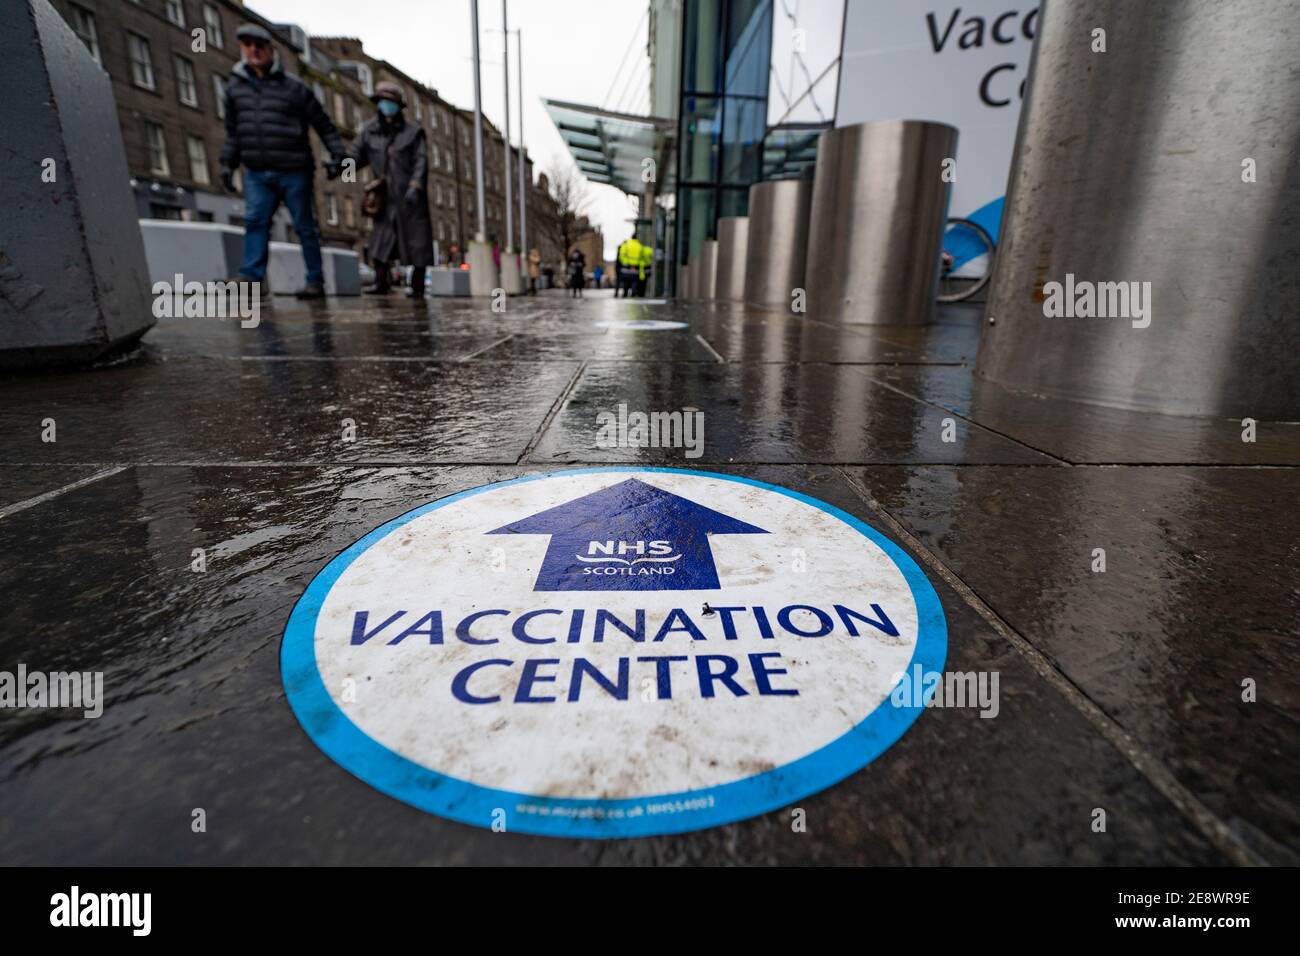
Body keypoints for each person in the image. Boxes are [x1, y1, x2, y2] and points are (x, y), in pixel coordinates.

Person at [220, 23, 345, 299]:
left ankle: (315, 280)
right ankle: (250, 278)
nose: (254, 50)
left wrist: (339, 156)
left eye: (259, 45)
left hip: (294, 168)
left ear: (271, 50)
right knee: (255, 221)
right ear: (241, 48)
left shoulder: (294, 88)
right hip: (256, 169)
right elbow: (233, 133)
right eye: (247, 44)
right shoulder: (234, 91)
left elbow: (324, 125)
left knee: (304, 225)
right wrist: (227, 163)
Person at [347, 81, 432, 299]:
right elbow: (355, 155)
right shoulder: (369, 131)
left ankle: (418, 284)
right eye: (383, 101)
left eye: (390, 102)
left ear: (399, 105)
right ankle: (380, 281)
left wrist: (415, 185)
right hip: (385, 195)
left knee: (416, 241)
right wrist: (340, 168)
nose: (386, 106)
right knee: (380, 240)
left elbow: (421, 161)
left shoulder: (413, 132)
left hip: (410, 195)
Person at [615, 231, 642, 298]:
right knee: (634, 281)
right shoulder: (639, 245)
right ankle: (633, 293)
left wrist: (625, 263)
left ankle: (625, 293)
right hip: (635, 267)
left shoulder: (626, 245)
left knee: (626, 280)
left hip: (626, 267)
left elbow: (621, 255)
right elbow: (642, 257)